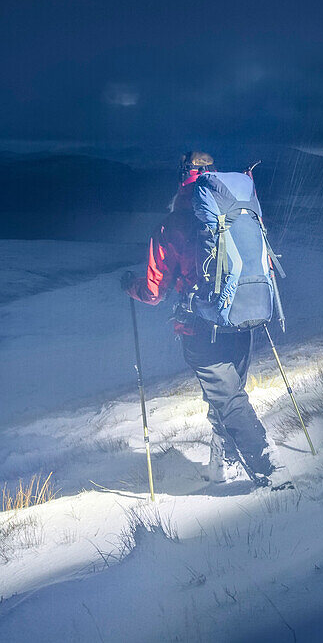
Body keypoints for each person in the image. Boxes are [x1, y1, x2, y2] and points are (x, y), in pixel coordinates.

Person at [123, 151, 275, 487]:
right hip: (243, 316)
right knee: (230, 393)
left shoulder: (172, 224)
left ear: (182, 176)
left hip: (201, 325)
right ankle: (224, 464)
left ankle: (270, 470)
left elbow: (153, 291)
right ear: (213, 175)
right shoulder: (234, 212)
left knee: (228, 398)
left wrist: (129, 286)